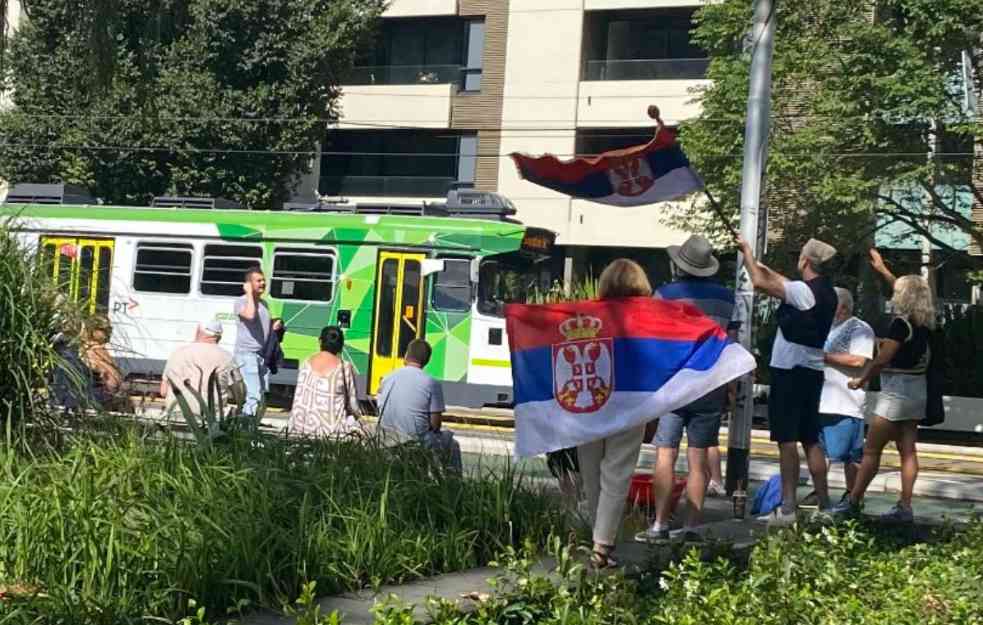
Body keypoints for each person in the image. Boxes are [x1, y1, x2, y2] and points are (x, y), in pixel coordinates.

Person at [637, 235, 735, 542]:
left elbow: (650, 339)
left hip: (673, 384)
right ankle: (691, 526)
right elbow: (730, 344)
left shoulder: (665, 294)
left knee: (665, 455)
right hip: (709, 385)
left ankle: (660, 525)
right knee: (698, 460)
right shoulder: (727, 298)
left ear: (680, 265)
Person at [738, 237, 838, 525]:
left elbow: (759, 283)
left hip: (789, 371)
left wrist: (747, 254)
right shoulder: (827, 292)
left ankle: (788, 506)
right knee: (810, 438)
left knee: (786, 440)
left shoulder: (801, 292)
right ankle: (825, 505)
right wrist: (759, 263)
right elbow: (781, 281)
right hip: (812, 370)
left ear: (805, 261)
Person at [833, 250, 935, 522]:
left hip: (895, 394)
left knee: (871, 450)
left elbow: (881, 360)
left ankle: (853, 501)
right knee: (908, 450)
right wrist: (883, 270)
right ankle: (905, 505)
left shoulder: (900, 325)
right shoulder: (925, 323)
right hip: (917, 392)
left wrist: (861, 379)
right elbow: (907, 289)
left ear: (905, 297)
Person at [578, 258, 652, 568]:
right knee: (616, 475)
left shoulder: (585, 316)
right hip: (628, 406)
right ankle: (601, 545)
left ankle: (596, 539)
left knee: (591, 475)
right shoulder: (648, 321)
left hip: (587, 404)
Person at [807, 288, 874, 504]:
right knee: (819, 449)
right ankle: (819, 492)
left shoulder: (860, 329)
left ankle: (852, 497)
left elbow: (858, 360)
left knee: (849, 454)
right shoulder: (826, 326)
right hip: (820, 399)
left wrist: (823, 356)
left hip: (844, 402)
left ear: (843, 307)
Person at [377, 339, 462, 472]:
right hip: (415, 443)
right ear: (427, 361)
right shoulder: (432, 383)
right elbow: (435, 425)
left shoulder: (387, 378)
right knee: (452, 444)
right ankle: (452, 484)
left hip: (386, 440)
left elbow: (380, 409)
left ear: (406, 355)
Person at [288, 326, 363, 437]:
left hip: (299, 428)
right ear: (341, 346)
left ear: (320, 341)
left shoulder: (306, 363)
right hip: (331, 433)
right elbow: (353, 405)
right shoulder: (344, 367)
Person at [160, 319, 243, 417]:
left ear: (198, 331)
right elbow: (240, 394)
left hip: (176, 415)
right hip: (212, 420)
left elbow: (163, 391)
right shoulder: (227, 358)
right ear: (219, 337)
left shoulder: (177, 354)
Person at [234, 266, 272, 418]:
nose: (263, 283)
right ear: (248, 284)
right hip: (246, 355)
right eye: (258, 281)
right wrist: (249, 293)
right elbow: (250, 316)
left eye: (263, 280)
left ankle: (252, 427)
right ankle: (245, 431)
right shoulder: (241, 302)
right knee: (253, 395)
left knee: (261, 396)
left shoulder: (264, 304)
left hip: (261, 355)